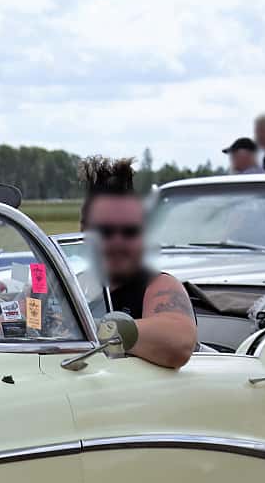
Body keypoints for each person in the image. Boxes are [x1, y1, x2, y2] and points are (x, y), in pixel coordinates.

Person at [78, 156, 196, 369]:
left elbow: (179, 343)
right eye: (105, 231)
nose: (117, 242)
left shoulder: (158, 285)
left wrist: (86, 329)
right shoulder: (70, 286)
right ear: (84, 230)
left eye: (129, 231)